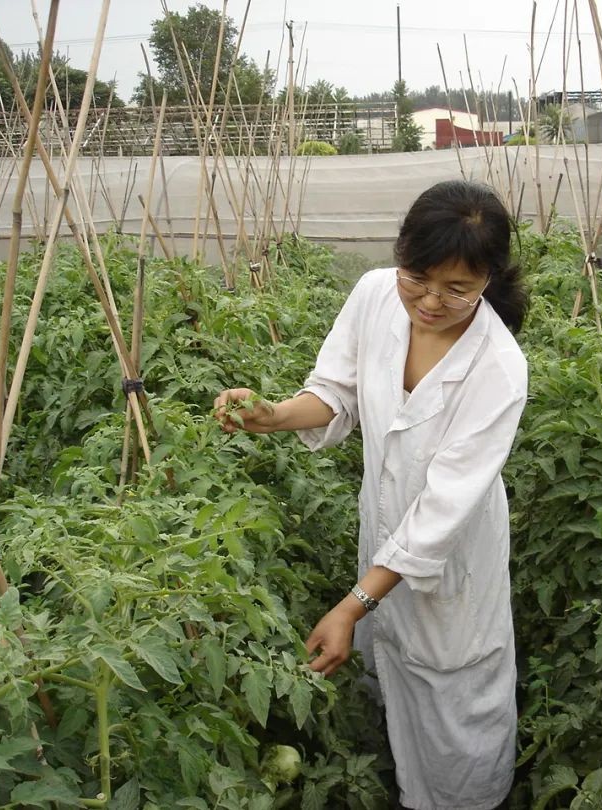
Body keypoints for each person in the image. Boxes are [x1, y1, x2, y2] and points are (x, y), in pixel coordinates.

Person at [214, 180, 529, 810]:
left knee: (454, 703)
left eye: (457, 289)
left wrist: (353, 605)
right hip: (383, 532)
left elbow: (442, 510)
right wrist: (273, 415)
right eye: (417, 278)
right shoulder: (374, 296)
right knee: (388, 677)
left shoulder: (498, 367)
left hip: (454, 555)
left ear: (489, 279)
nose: (431, 301)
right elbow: (336, 389)